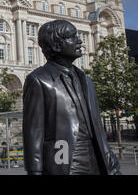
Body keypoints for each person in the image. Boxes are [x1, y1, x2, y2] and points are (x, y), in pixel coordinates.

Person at [23, 20, 121, 175]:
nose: (79, 40)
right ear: (56, 45)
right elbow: (34, 132)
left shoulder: (86, 80)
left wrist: (111, 162)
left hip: (95, 159)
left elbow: (97, 127)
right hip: (64, 156)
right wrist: (35, 171)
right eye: (72, 36)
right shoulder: (39, 80)